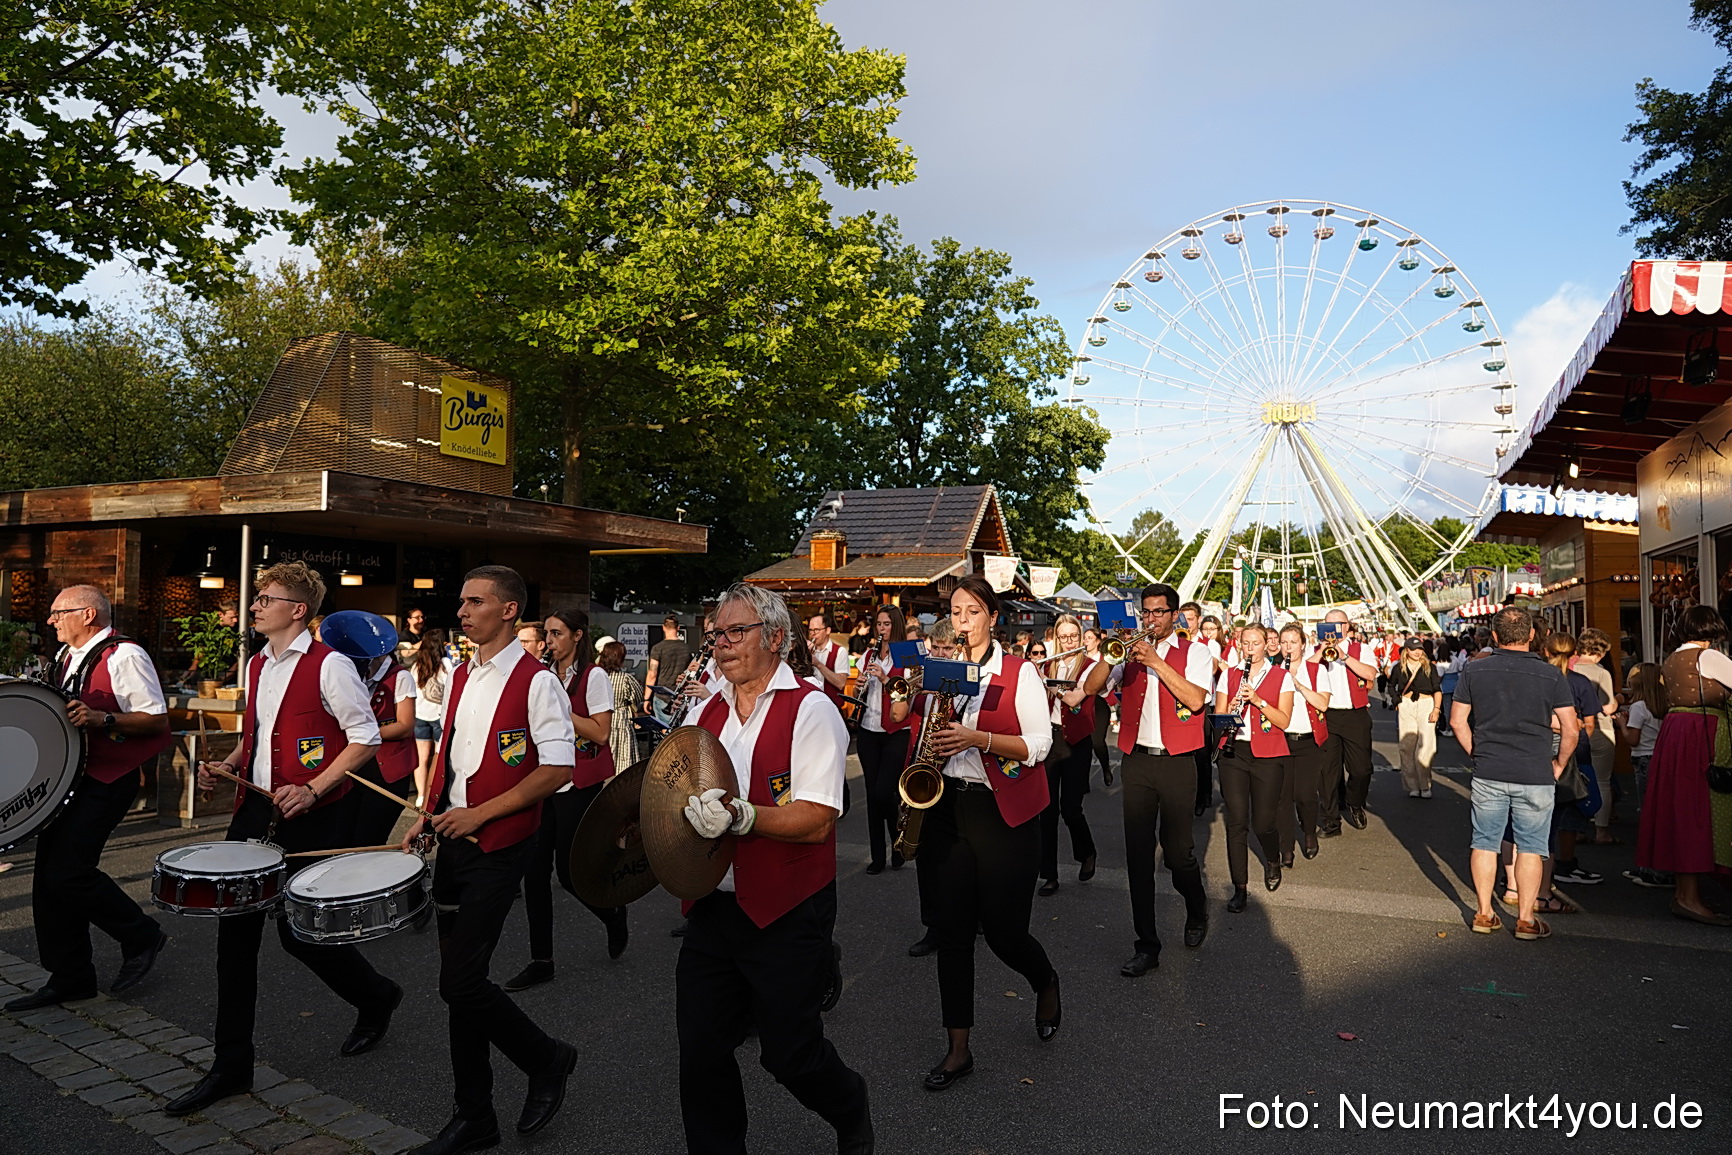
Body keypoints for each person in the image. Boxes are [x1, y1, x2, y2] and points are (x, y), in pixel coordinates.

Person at [170, 562, 401, 1116]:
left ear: (297, 610)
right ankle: (231, 1066)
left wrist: (315, 789)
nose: (253, 606)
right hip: (255, 812)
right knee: (235, 938)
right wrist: (226, 764)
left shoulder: (332, 666)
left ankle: (376, 996)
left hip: (312, 816)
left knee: (302, 934)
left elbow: (364, 737)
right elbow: (259, 736)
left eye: (265, 598)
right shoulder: (257, 663)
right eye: (256, 598)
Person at [675, 583, 872, 1153]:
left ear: (777, 638)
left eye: (737, 632)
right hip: (714, 907)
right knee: (702, 1051)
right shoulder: (704, 709)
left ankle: (849, 1102)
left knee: (791, 1056)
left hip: (787, 908)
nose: (721, 644)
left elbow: (816, 819)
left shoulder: (811, 709)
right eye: (716, 634)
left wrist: (741, 817)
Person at [404, 567, 581, 1152]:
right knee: (461, 982)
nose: (461, 610)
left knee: (459, 982)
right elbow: (454, 761)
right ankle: (473, 1114)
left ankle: (547, 1057)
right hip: (453, 841)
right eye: (461, 601)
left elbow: (558, 770)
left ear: (508, 611)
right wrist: (427, 817)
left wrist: (480, 814)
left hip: (500, 847)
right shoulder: (459, 673)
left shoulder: (537, 682)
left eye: (474, 602)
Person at [889, 575, 1058, 1090]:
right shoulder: (940, 671)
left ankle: (1044, 979)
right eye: (956, 612)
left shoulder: (1019, 672)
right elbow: (909, 719)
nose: (962, 622)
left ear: (991, 617)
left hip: (1002, 814)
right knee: (954, 933)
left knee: (1005, 934)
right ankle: (958, 1049)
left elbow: (1039, 745)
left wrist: (977, 737)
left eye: (971, 613)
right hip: (946, 809)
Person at [5, 584, 172, 1013]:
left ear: (88, 615)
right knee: (48, 880)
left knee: (68, 873)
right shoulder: (65, 657)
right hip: (69, 779)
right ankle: (71, 978)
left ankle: (141, 934)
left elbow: (155, 720)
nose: (51, 620)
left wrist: (103, 717)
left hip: (109, 778)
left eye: (59, 613)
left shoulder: (125, 655)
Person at [505, 608, 628, 992]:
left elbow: (600, 733)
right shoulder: (542, 675)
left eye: (557, 634)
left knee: (571, 874)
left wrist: (558, 702)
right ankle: (541, 960)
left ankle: (611, 913)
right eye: (548, 634)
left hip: (579, 782)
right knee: (535, 871)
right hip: (543, 781)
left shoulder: (593, 677)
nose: (550, 641)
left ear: (577, 636)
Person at [1451, 607, 1578, 942]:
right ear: (1532, 635)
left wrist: (1475, 751)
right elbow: (1571, 728)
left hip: (1490, 768)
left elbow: (1457, 721)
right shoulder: (1551, 676)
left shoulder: (1474, 671)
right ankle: (1525, 918)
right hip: (1535, 770)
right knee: (1533, 846)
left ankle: (1484, 912)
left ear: (1494, 636)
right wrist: (1559, 764)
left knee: (1484, 842)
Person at [1114, 583, 1212, 978]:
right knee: (1138, 857)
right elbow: (1096, 683)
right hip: (1137, 760)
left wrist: (1155, 661)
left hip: (1176, 761)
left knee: (1178, 854)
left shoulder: (1197, 653)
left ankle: (1196, 906)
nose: (1151, 619)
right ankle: (1146, 945)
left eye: (1159, 612)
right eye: (1146, 612)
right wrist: (1112, 649)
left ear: (1175, 615)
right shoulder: (1131, 651)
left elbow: (1194, 699)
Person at [1637, 605, 1732, 925]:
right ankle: (1690, 897)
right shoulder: (1710, 657)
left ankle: (1684, 893)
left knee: (1681, 808)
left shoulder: (1673, 658)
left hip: (1676, 731)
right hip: (1702, 734)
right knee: (1698, 809)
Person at [1215, 624, 1293, 912]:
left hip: (1269, 754)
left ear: (1265, 645)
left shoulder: (1281, 676)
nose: (1250, 648)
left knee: (1264, 822)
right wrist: (1232, 707)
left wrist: (1257, 701)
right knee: (1236, 821)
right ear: (1240, 645)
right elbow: (1219, 717)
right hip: (1234, 753)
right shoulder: (1229, 674)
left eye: (1256, 643)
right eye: (1245, 643)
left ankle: (1272, 860)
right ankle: (1240, 888)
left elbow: (1283, 720)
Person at [1036, 615, 1110, 896]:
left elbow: (1073, 699)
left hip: (1078, 742)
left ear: (1081, 639)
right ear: (1056, 639)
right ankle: (1049, 875)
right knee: (1048, 809)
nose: (1068, 642)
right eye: (1063, 637)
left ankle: (1087, 851)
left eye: (1073, 637)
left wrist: (1048, 683)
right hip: (1051, 739)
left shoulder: (1091, 667)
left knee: (1071, 807)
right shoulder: (1047, 664)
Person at [346, 628, 420, 847]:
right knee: (347, 837)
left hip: (387, 772)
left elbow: (405, 726)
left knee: (370, 839)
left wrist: (364, 733)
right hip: (356, 766)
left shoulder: (401, 677)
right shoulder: (357, 674)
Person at [856, 603, 914, 874]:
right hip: (869, 729)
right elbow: (862, 690)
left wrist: (885, 677)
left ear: (896, 626)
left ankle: (898, 843)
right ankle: (877, 856)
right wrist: (861, 685)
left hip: (895, 732)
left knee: (884, 792)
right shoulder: (869, 654)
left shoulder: (907, 656)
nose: (882, 629)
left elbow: (910, 691)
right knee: (871, 794)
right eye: (879, 624)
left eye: (887, 624)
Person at [1314, 609, 1379, 835]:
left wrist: (1345, 656)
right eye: (1328, 625)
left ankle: (1354, 801)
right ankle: (1331, 820)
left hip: (1355, 715)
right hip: (1326, 715)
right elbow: (1305, 673)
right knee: (1327, 772)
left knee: (1361, 769)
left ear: (1347, 626)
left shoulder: (1361, 649)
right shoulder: (1315, 650)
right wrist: (1320, 653)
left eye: (1337, 624)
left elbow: (1370, 674)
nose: (1332, 629)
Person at [1276, 623, 1331, 867]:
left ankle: (1309, 831)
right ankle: (1286, 847)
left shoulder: (1316, 670)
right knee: (1282, 797)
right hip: (1280, 740)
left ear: (1303, 645)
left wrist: (1297, 684)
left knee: (1305, 795)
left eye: (1293, 642)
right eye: (1284, 642)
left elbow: (1323, 704)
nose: (1288, 648)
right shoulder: (1273, 670)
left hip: (1308, 741)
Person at [1618, 663, 1670, 888]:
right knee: (1658, 812)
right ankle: (1653, 866)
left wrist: (1622, 724)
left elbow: (1633, 739)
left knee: (1647, 813)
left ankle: (1651, 868)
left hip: (1642, 760)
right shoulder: (1663, 705)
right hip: (1659, 757)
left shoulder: (1639, 707)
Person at [1574, 628, 1621, 844]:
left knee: (1577, 779)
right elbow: (1608, 707)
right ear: (1601, 652)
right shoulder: (1602, 673)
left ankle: (1576, 828)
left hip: (1576, 729)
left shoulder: (1568, 670)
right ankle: (1602, 831)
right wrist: (1618, 701)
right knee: (1602, 781)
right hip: (1601, 728)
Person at [1391, 638, 1443, 798]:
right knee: (1407, 746)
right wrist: (1397, 701)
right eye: (1414, 649)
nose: (1417, 652)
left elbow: (1437, 689)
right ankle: (1412, 785)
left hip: (1426, 703)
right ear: (1407, 650)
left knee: (1427, 745)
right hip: (1406, 704)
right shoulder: (1399, 667)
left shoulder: (1429, 667)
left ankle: (1425, 784)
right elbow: (1391, 685)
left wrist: (1436, 709)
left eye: (1419, 649)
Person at [411, 629, 452, 809]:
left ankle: (420, 795)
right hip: (439, 717)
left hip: (419, 715)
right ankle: (432, 795)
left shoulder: (416, 666)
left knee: (421, 758)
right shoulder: (445, 664)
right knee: (438, 759)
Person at [1082, 627, 1117, 787]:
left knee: (1097, 741)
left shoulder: (1105, 657)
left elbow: (1109, 685)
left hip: (1099, 702)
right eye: (1085, 638)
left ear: (1097, 641)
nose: (1086, 641)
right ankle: (1083, 780)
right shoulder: (1080, 658)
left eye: (1089, 638)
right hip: (1081, 701)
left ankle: (1105, 768)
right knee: (1083, 743)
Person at [598, 640, 641, 769]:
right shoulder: (625, 679)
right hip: (621, 719)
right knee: (624, 758)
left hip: (601, 720)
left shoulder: (598, 676)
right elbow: (638, 696)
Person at [644, 614, 694, 718]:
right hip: (680, 696)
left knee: (664, 731)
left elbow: (652, 673)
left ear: (663, 627)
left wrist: (646, 698)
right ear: (678, 628)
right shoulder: (687, 648)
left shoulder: (658, 648)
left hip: (661, 695)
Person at [806, 612, 850, 710]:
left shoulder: (839, 651)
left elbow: (841, 683)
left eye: (817, 630)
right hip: (811, 707)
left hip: (832, 708)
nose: (813, 634)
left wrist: (818, 664)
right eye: (810, 630)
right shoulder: (808, 651)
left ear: (828, 630)